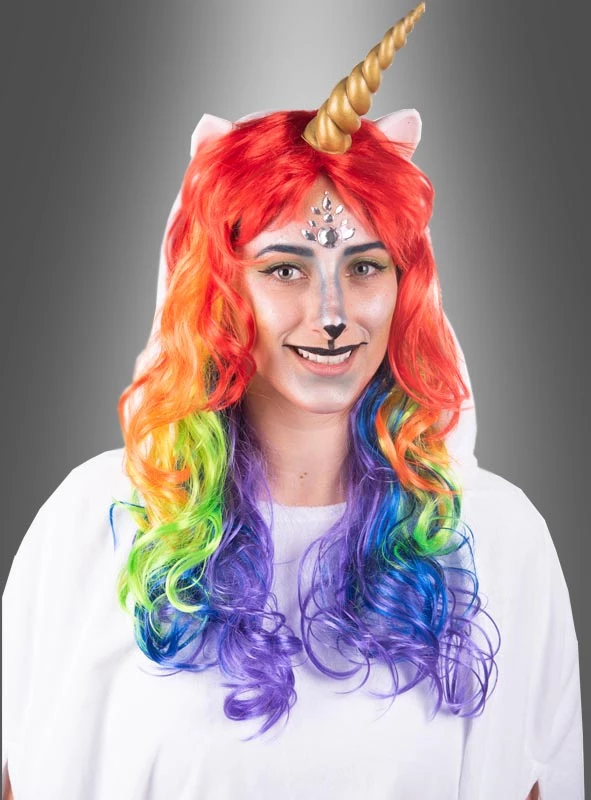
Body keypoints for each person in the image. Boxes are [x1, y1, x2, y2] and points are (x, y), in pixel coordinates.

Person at [2, 6, 583, 799]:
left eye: (365, 267)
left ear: (405, 286)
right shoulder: (93, 524)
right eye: (285, 270)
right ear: (218, 292)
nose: (332, 313)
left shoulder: (496, 536)